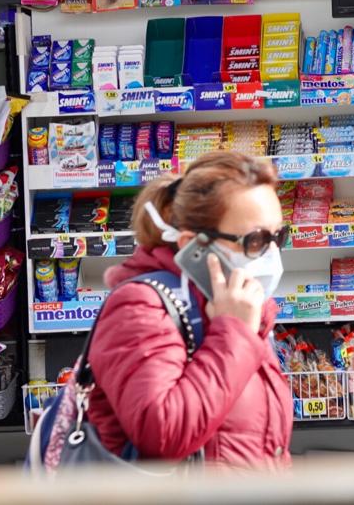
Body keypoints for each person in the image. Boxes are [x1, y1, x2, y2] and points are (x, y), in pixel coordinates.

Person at [85, 151, 292, 468]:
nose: (272, 253)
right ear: (193, 244)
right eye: (256, 239)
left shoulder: (241, 309)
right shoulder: (139, 307)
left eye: (279, 236)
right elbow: (162, 435)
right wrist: (234, 333)